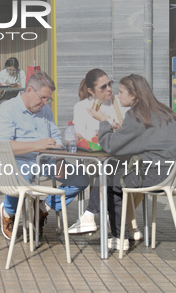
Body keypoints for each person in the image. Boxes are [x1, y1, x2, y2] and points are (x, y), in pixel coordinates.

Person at [89, 74, 176, 251]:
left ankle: (118, 236)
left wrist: (103, 121)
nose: (118, 95)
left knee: (112, 180)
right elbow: (145, 142)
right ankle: (123, 228)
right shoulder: (164, 111)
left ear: (134, 95)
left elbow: (112, 146)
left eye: (121, 92)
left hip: (158, 174)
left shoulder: (137, 114)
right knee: (116, 171)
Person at [0, 71, 88, 239]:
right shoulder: (7, 109)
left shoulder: (45, 110)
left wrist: (59, 159)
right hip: (18, 161)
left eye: (48, 99)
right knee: (22, 176)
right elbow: (3, 146)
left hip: (46, 161)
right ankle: (9, 211)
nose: (45, 103)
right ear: (29, 90)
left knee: (82, 177)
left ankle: (43, 208)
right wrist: (35, 145)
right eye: (43, 98)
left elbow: (56, 138)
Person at [68, 68, 135, 236]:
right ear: (91, 90)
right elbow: (81, 135)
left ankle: (90, 215)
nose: (109, 89)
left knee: (110, 167)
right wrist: (95, 135)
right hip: (94, 158)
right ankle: (113, 222)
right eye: (103, 87)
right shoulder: (82, 107)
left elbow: (130, 130)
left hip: (121, 158)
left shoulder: (119, 102)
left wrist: (116, 129)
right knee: (107, 167)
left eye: (110, 84)